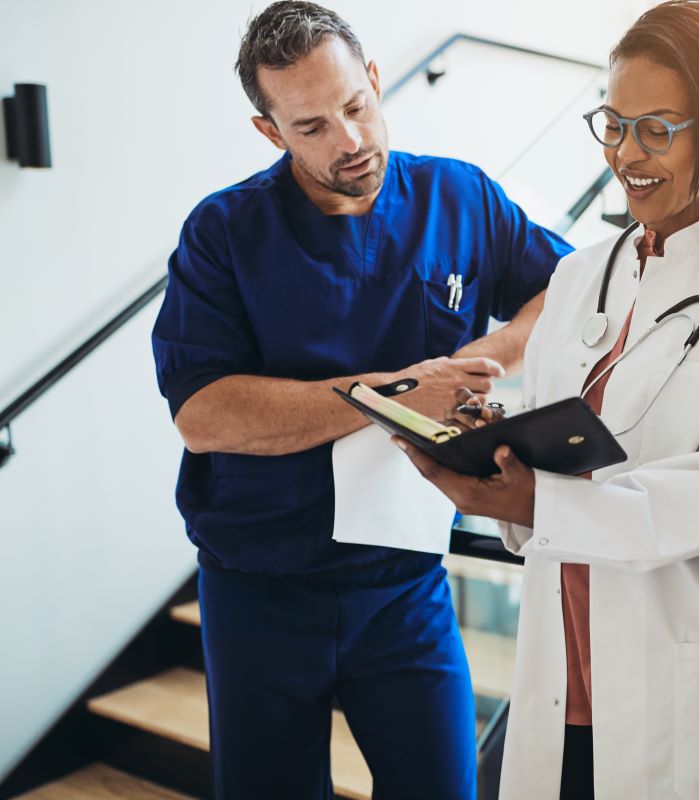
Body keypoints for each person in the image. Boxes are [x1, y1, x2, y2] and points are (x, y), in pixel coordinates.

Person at [399, 3, 699, 798]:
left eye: (657, 129)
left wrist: (543, 499)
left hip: (688, 677)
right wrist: (490, 455)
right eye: (614, 124)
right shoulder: (575, 276)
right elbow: (555, 452)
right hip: (564, 667)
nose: (626, 153)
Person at [149, 2, 571, 797]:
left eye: (354, 105)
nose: (348, 141)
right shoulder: (222, 232)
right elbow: (204, 415)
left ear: (375, 81)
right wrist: (395, 393)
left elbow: (570, 291)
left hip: (404, 585)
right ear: (270, 132)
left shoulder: (460, 198)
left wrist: (495, 350)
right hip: (259, 587)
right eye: (311, 126)